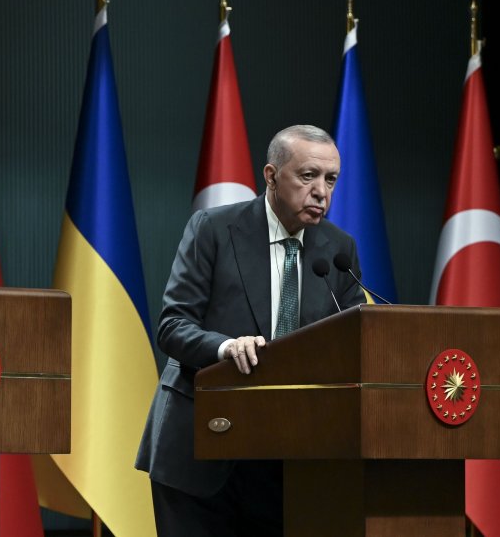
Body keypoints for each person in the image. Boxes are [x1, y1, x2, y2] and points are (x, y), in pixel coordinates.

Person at [135, 124, 368, 537]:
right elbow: (172, 326)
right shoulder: (213, 229)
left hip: (288, 464)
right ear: (271, 176)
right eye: (308, 176)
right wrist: (225, 347)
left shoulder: (338, 250)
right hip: (200, 453)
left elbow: (355, 342)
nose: (321, 192)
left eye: (331, 179)